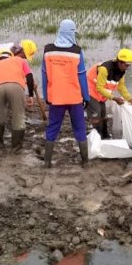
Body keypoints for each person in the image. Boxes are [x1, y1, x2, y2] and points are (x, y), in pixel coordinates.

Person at [41, 19, 90, 168]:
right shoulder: (77, 51)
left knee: (53, 127)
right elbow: (81, 75)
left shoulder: (48, 50)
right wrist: (86, 97)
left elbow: (44, 75)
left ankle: (47, 163)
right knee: (80, 128)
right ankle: (85, 163)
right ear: (71, 33)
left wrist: (46, 96)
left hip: (56, 97)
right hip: (74, 98)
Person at [86, 49, 132, 138]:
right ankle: (97, 137)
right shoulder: (104, 69)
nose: (127, 68)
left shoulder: (121, 71)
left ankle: (105, 135)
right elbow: (99, 87)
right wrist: (114, 98)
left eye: (129, 65)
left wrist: (130, 99)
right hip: (90, 91)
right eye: (126, 65)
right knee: (96, 113)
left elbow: (121, 87)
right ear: (120, 62)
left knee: (103, 114)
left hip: (101, 94)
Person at [0, 39, 38, 114]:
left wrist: (30, 89)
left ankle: (2, 106)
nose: (24, 58)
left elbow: (28, 74)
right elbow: (1, 74)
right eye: (24, 56)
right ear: (21, 51)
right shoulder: (5, 54)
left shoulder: (16, 51)